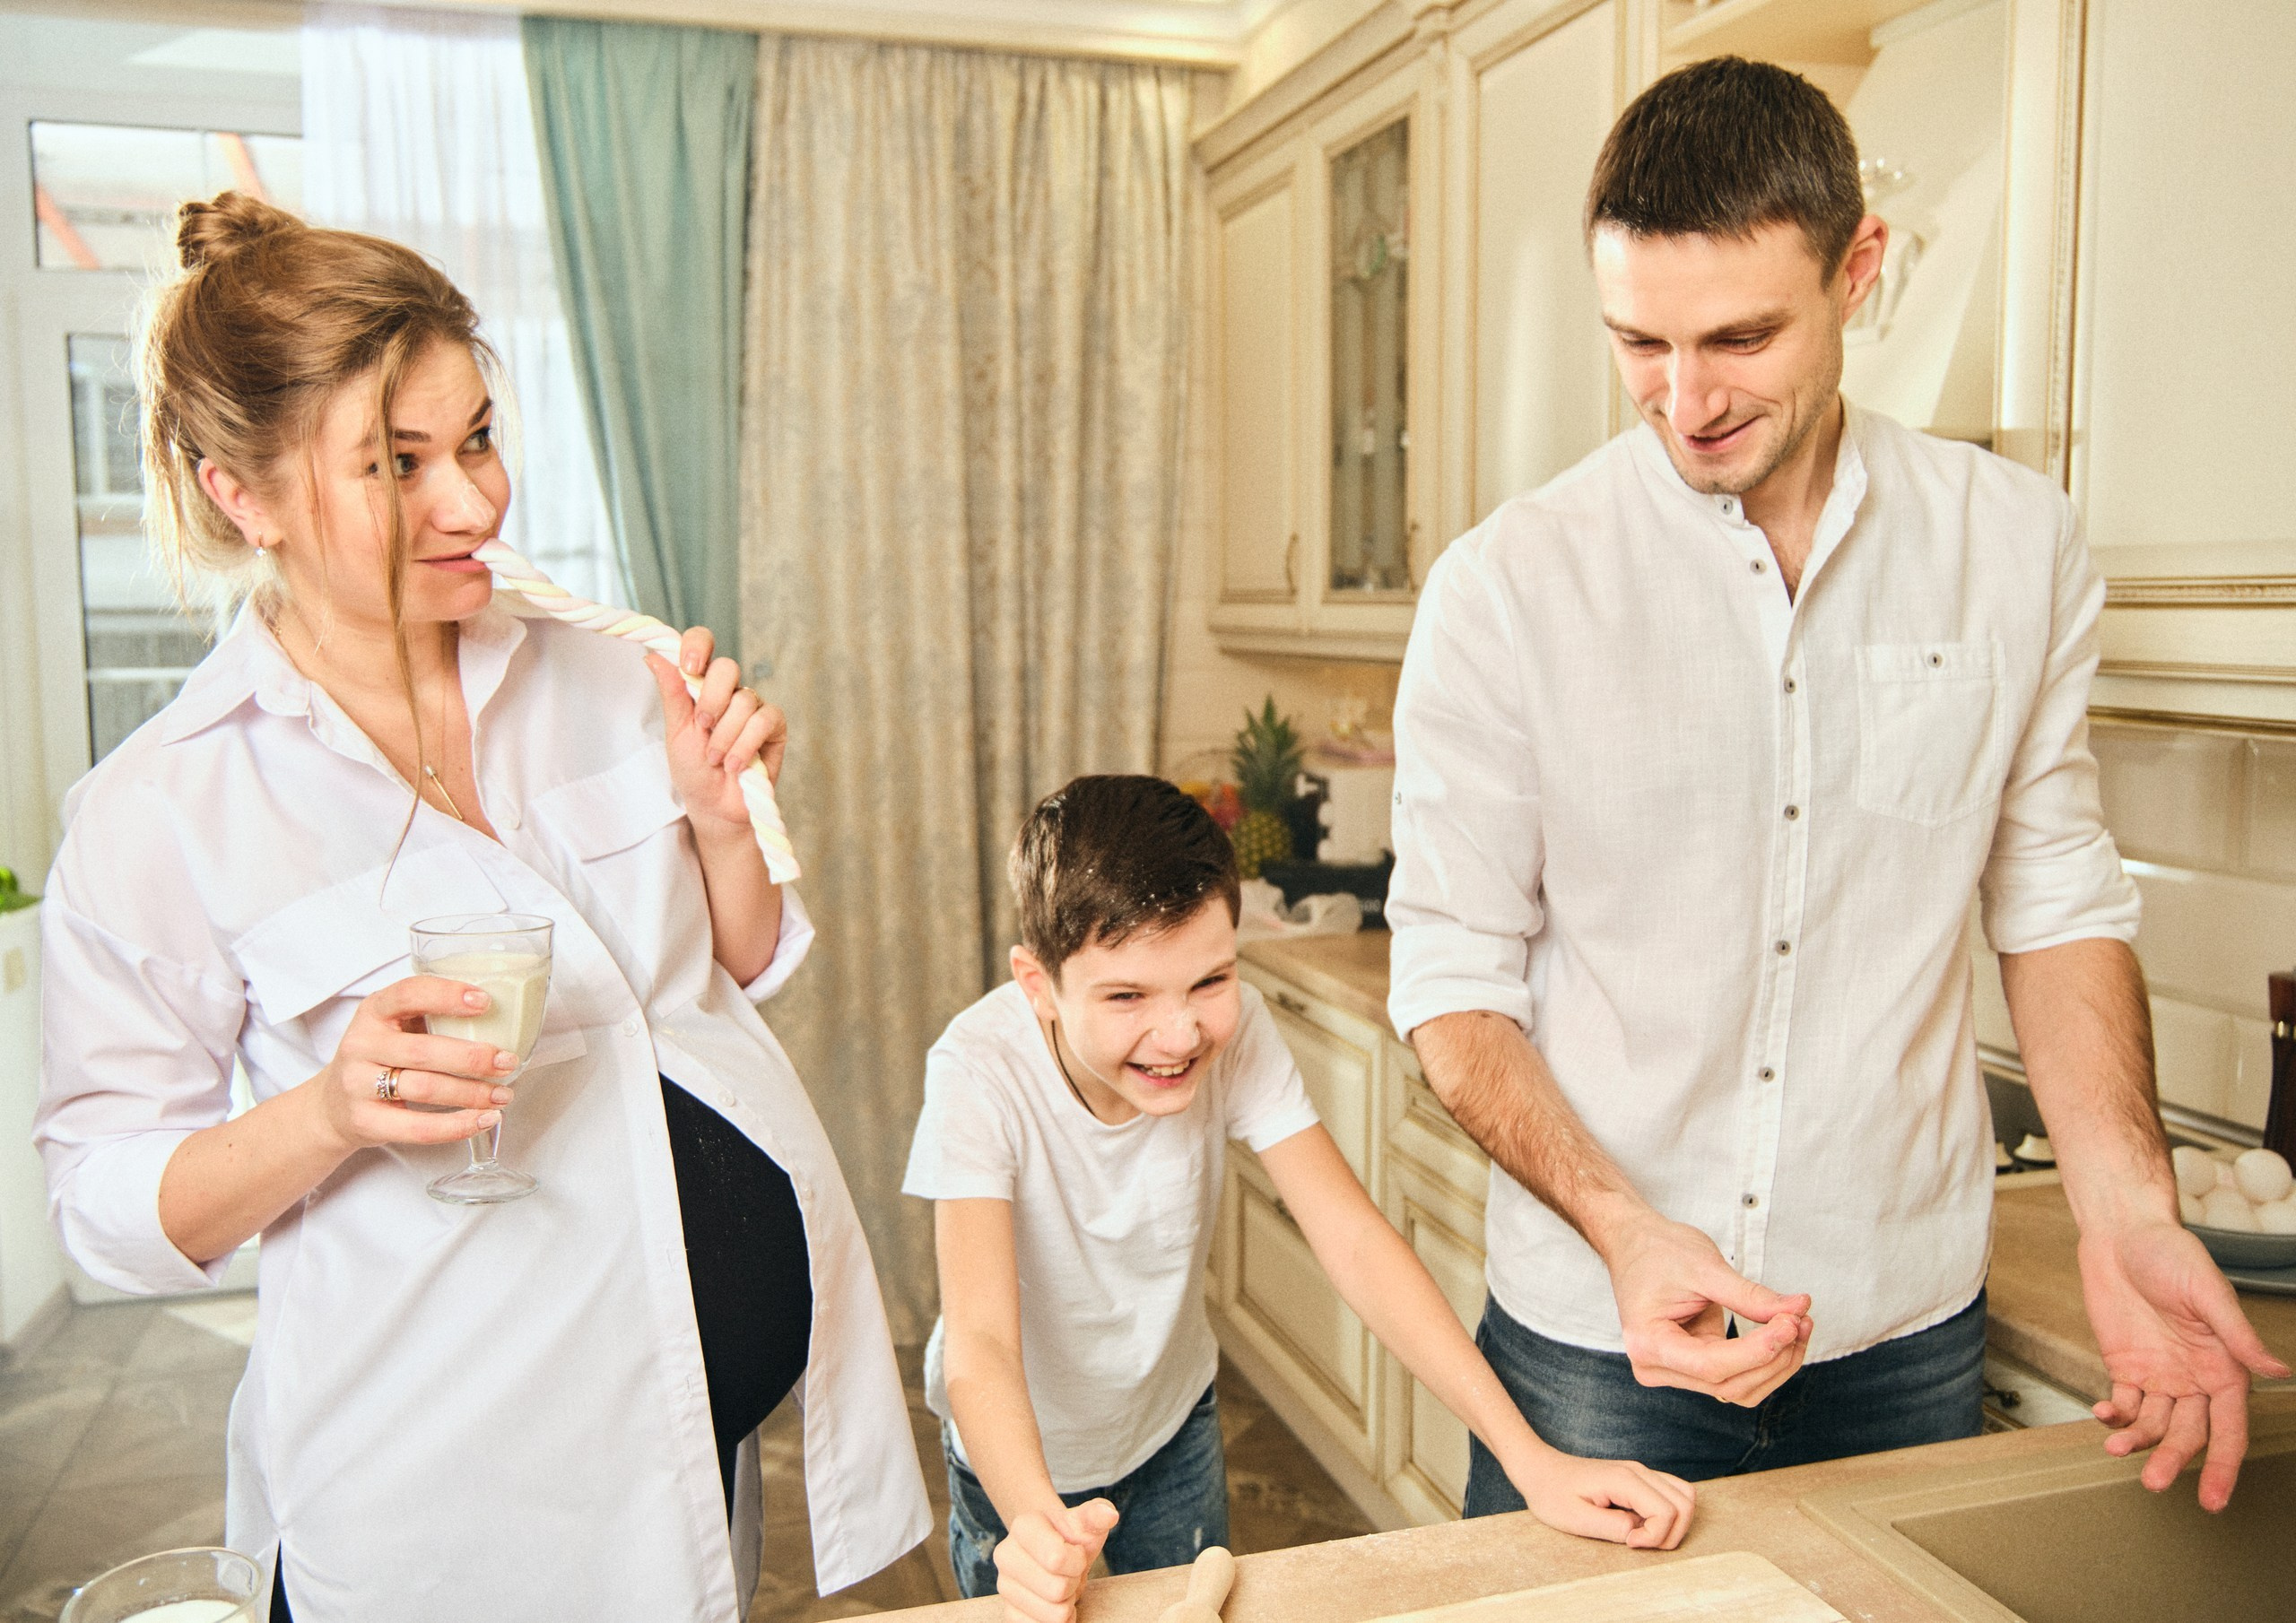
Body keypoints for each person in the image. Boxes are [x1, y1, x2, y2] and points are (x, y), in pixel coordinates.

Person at [1387, 57, 2287, 1516]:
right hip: (1600, 1339)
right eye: (1640, 343)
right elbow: (1449, 985)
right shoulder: (1512, 589)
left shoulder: (2012, 546)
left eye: (1739, 336)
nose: (1685, 401)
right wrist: (1626, 1231)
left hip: (1902, 1326)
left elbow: (2051, 900)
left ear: (1859, 269)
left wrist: (2130, 1207)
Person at [34, 194, 929, 1622]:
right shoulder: (163, 815)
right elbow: (102, 1205)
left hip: (687, 1445)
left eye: (478, 439)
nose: (474, 502)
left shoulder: (597, 671)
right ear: (240, 493)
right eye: (397, 463)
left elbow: (734, 971)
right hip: (440, 1508)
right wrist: (328, 1110)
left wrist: (716, 814)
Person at [904, 775, 1695, 1623]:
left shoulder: (1237, 1039)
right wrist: (1031, 1520)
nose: (1180, 1035)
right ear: (1038, 985)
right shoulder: (977, 1073)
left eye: (1210, 981)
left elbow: (1354, 1239)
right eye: (1128, 995)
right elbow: (981, 1340)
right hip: (1015, 1469)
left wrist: (1532, 1462)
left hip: (1173, 1435)